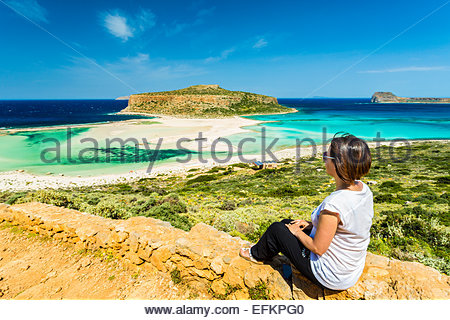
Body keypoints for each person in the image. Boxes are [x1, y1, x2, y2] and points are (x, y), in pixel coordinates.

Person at [239, 133, 374, 290]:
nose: (324, 159)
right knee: (287, 223)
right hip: (350, 267)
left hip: (330, 274)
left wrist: (297, 233)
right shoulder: (364, 189)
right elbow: (346, 225)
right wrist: (311, 225)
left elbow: (318, 248)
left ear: (339, 165)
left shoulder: (334, 205)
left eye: (326, 155)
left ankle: (255, 254)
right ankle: (269, 251)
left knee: (277, 229)